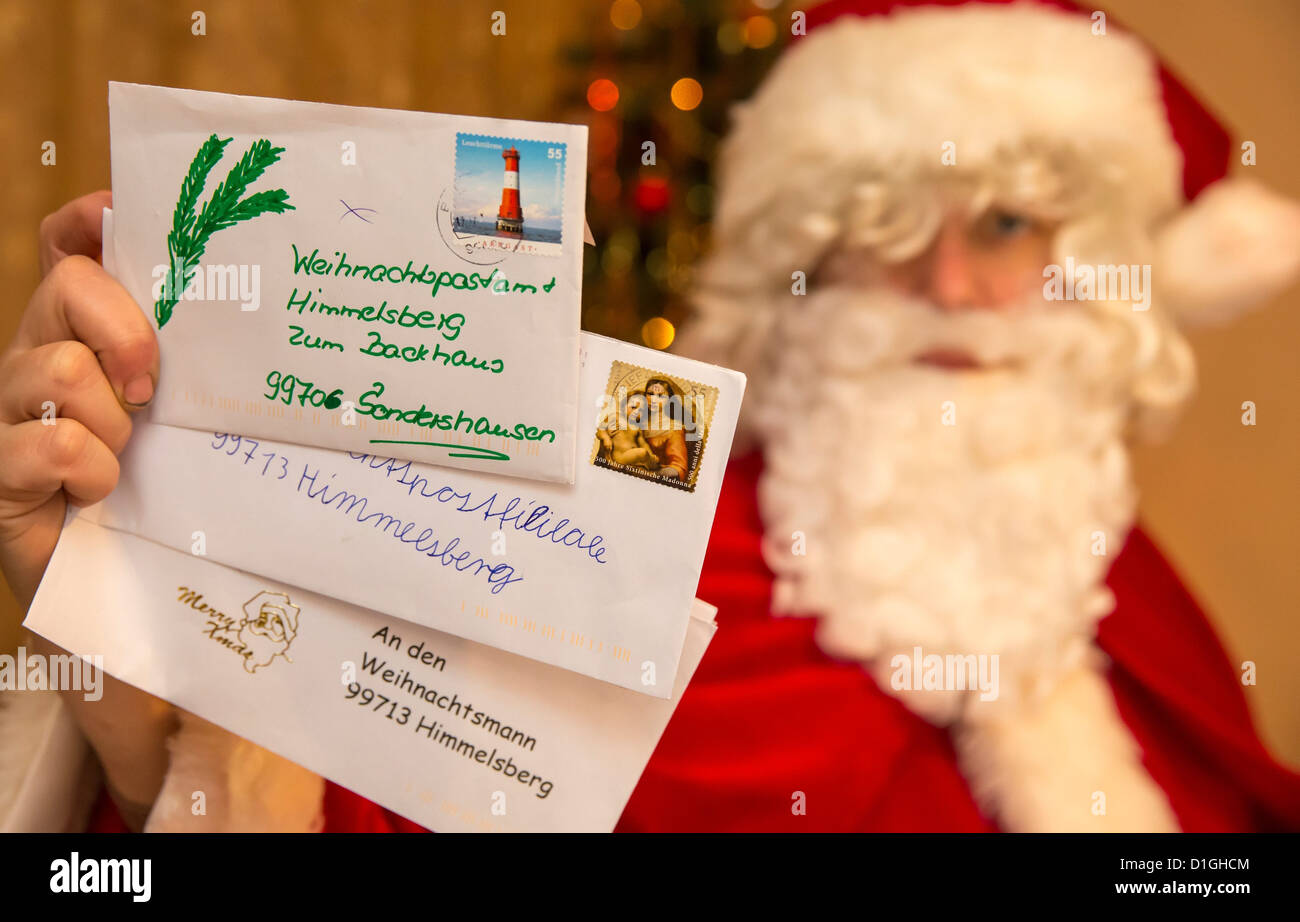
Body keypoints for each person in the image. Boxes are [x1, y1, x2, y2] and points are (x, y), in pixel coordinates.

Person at [3, 0, 1299, 832]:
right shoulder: (646, 560)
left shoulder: (1137, 608)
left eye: (1008, 226)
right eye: (879, 232)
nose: (949, 290)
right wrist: (132, 654)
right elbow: (342, 786)